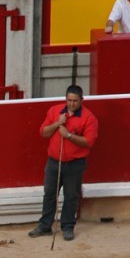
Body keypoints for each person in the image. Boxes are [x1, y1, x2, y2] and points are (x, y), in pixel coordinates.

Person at [28, 85, 99, 241]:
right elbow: (43, 132)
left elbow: (88, 142)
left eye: (75, 101)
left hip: (75, 163)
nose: (71, 104)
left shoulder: (89, 117)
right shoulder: (54, 111)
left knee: (71, 196)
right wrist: (56, 124)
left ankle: (67, 227)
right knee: (49, 194)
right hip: (54, 161)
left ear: (81, 100)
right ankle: (45, 225)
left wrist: (68, 135)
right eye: (69, 100)